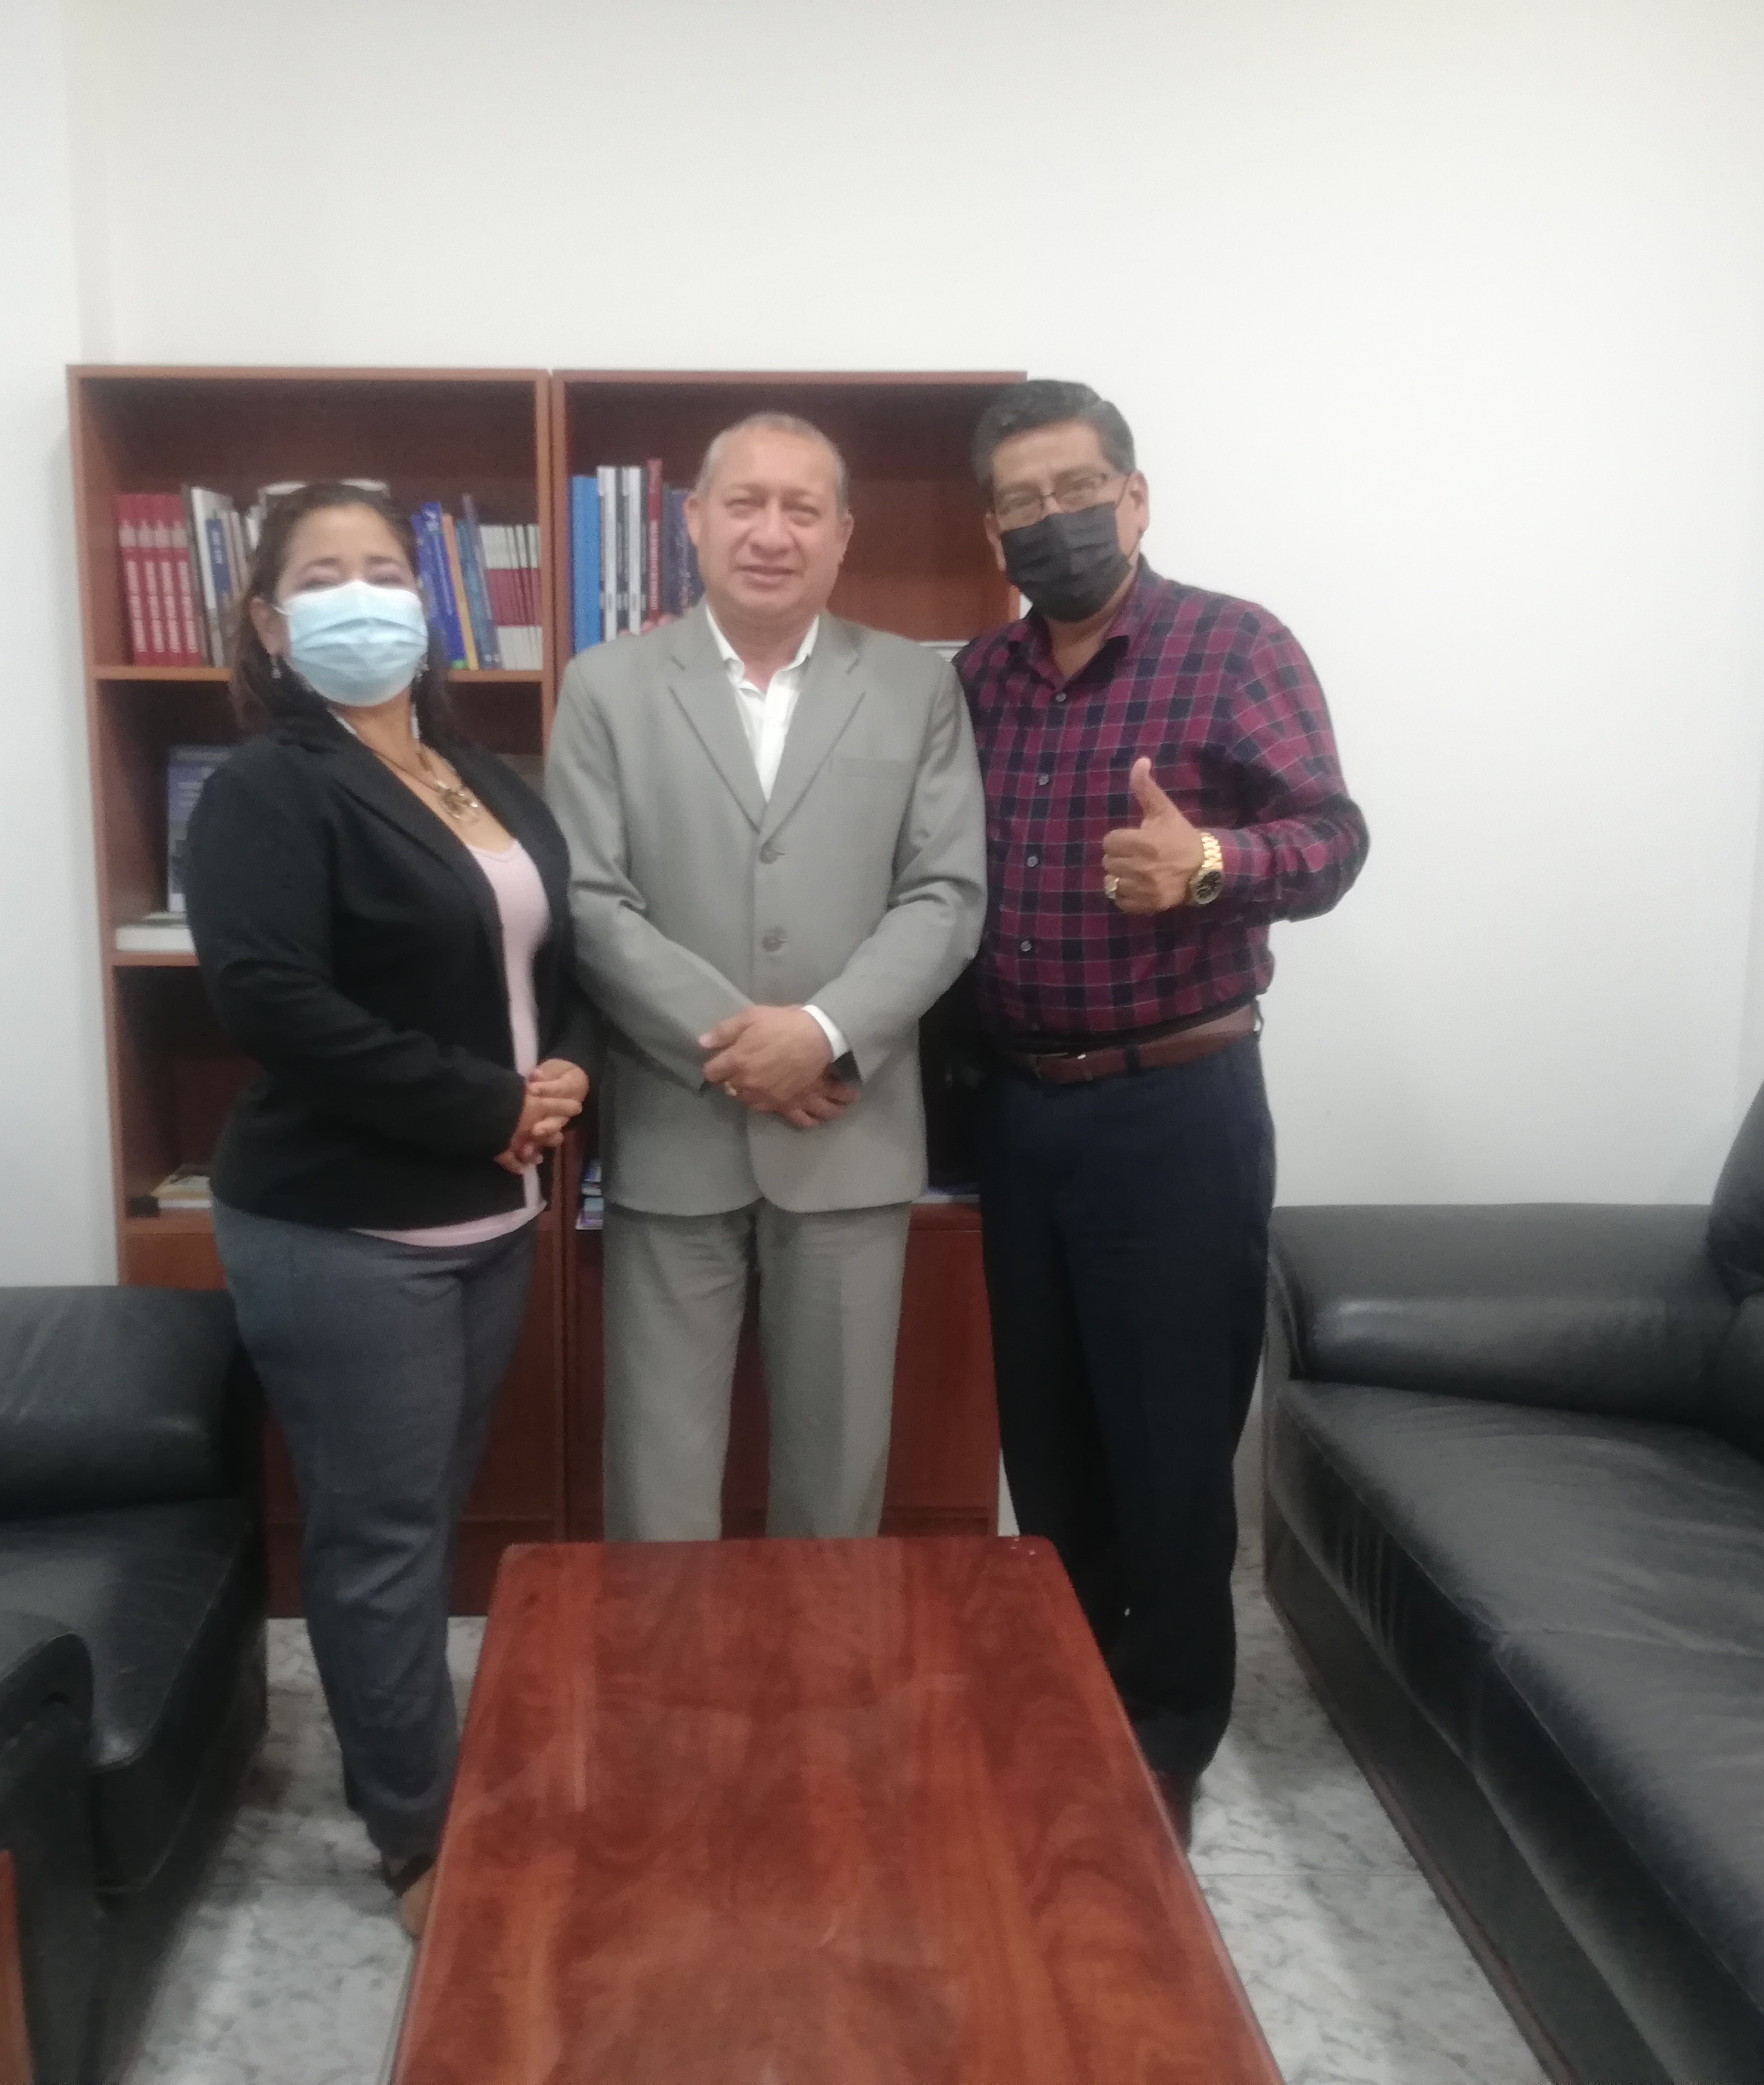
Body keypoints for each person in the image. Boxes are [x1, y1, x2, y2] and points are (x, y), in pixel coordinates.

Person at [955, 379, 1368, 1839]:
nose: (1051, 521)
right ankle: (1071, 1685)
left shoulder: (1232, 645)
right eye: (1020, 504)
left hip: (1176, 1104)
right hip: (1020, 1110)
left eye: (1077, 491)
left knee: (1172, 1437)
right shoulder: (978, 680)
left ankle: (1168, 1730)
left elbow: (1333, 840)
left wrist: (1210, 869)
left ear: (1135, 498)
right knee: (1048, 1433)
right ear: (992, 531)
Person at [183, 483, 594, 1935]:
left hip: (491, 1219)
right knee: (382, 1541)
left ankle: (423, 1762)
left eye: (383, 569)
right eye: (322, 576)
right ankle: (418, 1837)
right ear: (268, 621)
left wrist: (567, 1071)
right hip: (345, 1229)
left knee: (426, 1517)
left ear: (428, 603)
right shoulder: (266, 790)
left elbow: (557, 959)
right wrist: (489, 1107)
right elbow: (274, 1004)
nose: (361, 596)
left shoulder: (480, 775)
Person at [547, 413, 987, 1542]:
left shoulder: (916, 685)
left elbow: (945, 895)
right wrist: (747, 1048)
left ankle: (822, 1667)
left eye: (803, 508)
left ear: (843, 535)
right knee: (659, 1486)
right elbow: (590, 901)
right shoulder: (605, 686)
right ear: (694, 521)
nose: (772, 533)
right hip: (674, 1126)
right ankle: (665, 1667)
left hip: (848, 1133)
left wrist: (823, 1032)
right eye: (745, 503)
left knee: (838, 1486)